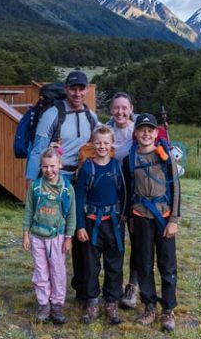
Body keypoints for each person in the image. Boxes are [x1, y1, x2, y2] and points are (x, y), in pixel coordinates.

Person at [25, 70, 98, 302]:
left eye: (81, 88)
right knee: (53, 232)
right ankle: (50, 287)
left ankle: (80, 285)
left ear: (87, 90)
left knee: (80, 231)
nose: (77, 93)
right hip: (56, 180)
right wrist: (31, 184)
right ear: (66, 89)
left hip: (82, 180)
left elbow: (103, 141)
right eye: (73, 88)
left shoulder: (91, 116)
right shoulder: (53, 114)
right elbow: (38, 149)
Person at [123, 113, 181, 333]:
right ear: (135, 133)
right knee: (144, 264)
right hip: (140, 218)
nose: (146, 133)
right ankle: (149, 305)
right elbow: (127, 193)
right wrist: (129, 219)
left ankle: (168, 309)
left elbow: (176, 189)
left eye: (150, 130)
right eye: (142, 129)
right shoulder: (129, 159)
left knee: (167, 265)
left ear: (157, 133)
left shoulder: (166, 157)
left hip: (164, 217)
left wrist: (174, 219)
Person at [75, 125, 127, 325]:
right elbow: (80, 198)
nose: (102, 146)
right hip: (91, 224)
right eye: (98, 143)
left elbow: (123, 194)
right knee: (90, 264)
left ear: (112, 144)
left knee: (114, 263)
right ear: (92, 144)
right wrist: (80, 226)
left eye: (106, 143)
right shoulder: (87, 167)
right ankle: (92, 301)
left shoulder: (116, 167)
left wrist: (123, 217)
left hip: (113, 224)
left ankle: (112, 301)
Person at [22, 145, 76, 325]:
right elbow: (28, 211)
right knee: (41, 271)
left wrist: (69, 237)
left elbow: (72, 215)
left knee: (57, 271)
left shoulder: (67, 189)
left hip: (57, 237)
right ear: (41, 167)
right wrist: (25, 234)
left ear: (60, 165)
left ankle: (57, 304)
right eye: (45, 166)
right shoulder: (36, 187)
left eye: (52, 166)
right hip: (37, 236)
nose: (49, 170)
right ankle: (43, 304)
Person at [106, 92, 141, 309]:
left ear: (131, 109)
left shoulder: (138, 131)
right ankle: (113, 287)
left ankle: (133, 286)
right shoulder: (103, 130)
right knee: (115, 243)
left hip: (136, 193)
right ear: (111, 109)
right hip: (112, 194)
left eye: (124, 108)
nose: (120, 112)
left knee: (137, 242)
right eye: (116, 107)